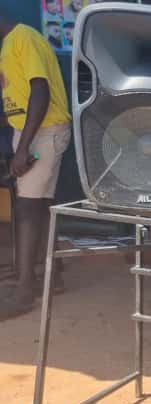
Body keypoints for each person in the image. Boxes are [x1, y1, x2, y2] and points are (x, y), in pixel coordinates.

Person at [0, 15, 73, 320]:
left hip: (42, 132)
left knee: (28, 208)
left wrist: (21, 149)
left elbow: (39, 92)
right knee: (39, 204)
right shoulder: (9, 45)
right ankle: (52, 275)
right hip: (35, 131)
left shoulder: (23, 39)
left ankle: (25, 289)